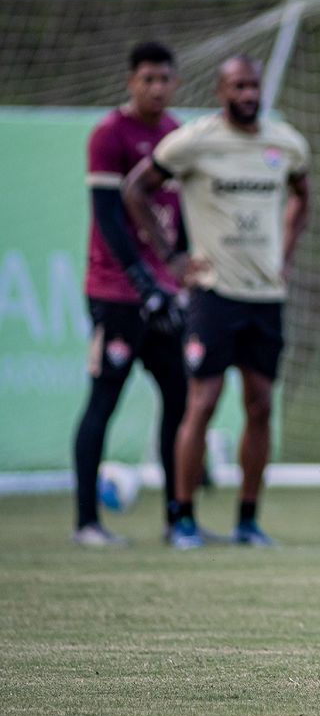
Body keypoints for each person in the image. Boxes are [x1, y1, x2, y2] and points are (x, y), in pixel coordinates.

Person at [123, 54, 310, 550]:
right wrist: (173, 258)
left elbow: (302, 194)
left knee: (261, 405)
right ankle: (182, 516)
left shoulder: (285, 142)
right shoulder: (194, 142)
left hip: (266, 295)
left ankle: (247, 520)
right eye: (238, 87)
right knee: (201, 402)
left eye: (254, 86)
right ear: (220, 91)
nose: (248, 95)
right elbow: (135, 188)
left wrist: (285, 254)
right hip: (213, 295)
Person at [72, 41, 188, 547]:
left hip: (165, 294)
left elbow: (177, 217)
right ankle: (87, 523)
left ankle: (175, 519)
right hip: (115, 294)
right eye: (147, 79)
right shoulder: (109, 135)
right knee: (104, 398)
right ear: (130, 81)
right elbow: (109, 218)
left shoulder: (173, 134)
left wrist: (177, 275)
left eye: (164, 78)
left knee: (180, 400)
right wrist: (142, 283)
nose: (156, 88)